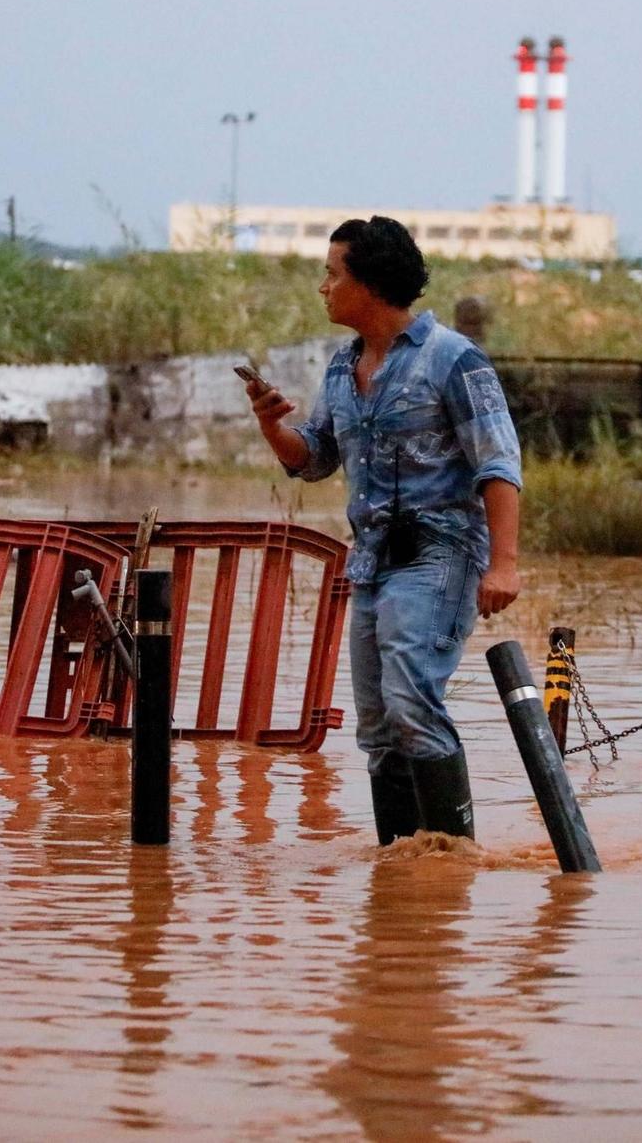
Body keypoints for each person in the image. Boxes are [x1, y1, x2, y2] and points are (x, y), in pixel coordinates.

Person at [245, 216, 522, 843]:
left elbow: (499, 463)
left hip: (439, 557)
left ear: (367, 285)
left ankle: (454, 859)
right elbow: (313, 458)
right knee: (377, 728)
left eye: (331, 274)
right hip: (371, 563)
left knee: (412, 705)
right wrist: (270, 426)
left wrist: (504, 564)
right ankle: (403, 870)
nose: (323, 287)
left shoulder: (453, 359)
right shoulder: (343, 369)